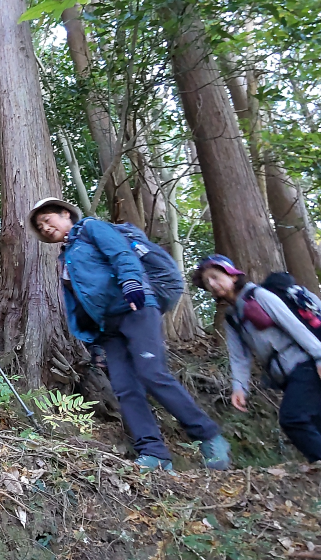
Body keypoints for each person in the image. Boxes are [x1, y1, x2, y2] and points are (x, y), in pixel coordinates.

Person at [29, 197, 230, 471]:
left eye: (47, 219)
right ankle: (154, 453)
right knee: (125, 388)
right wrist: (94, 341)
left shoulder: (90, 228)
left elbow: (120, 253)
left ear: (65, 214)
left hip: (135, 307)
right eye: (40, 227)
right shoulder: (66, 257)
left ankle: (208, 436)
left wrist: (132, 282)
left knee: (151, 372)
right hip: (108, 328)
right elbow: (83, 303)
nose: (45, 227)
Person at [192, 254, 321, 463]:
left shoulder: (260, 296)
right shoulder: (232, 316)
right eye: (206, 282)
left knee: (293, 418)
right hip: (285, 375)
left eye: (215, 277)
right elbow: (239, 357)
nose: (211, 284)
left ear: (232, 275)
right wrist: (239, 388)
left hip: (306, 364)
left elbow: (294, 325)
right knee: (319, 417)